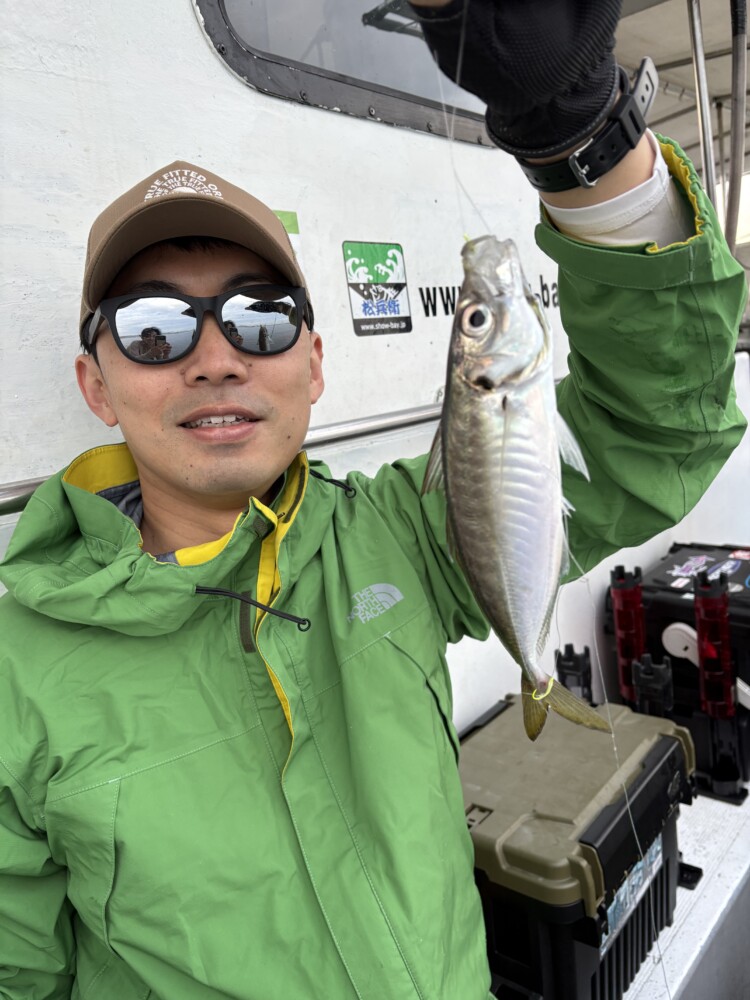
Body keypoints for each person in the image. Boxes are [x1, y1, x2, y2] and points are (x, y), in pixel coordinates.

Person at [0, 2, 746, 998]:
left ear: (312, 365)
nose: (216, 357)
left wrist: (583, 132)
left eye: (260, 319)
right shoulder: (15, 669)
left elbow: (656, 429)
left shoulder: (395, 537)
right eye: (152, 325)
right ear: (97, 382)